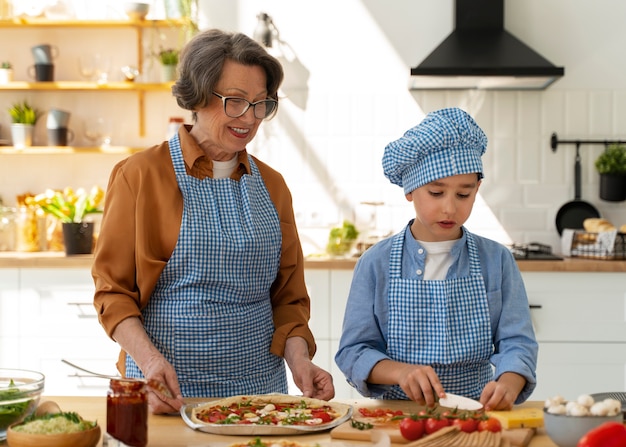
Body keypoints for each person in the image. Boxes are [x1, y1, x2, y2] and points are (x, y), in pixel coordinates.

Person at [92, 29, 334, 414]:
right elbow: (113, 294)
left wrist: (299, 359)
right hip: (168, 392)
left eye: (260, 104)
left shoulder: (273, 186)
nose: (250, 118)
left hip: (260, 399)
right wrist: (151, 362)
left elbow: (288, 299)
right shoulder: (140, 176)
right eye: (235, 102)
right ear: (198, 96)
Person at [335, 107, 537, 411]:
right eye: (436, 192)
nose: (449, 209)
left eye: (463, 194)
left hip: (477, 412)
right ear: (410, 191)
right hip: (397, 415)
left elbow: (517, 342)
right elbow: (354, 351)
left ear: (477, 189)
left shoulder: (497, 260)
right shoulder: (375, 263)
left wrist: (508, 382)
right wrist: (400, 372)